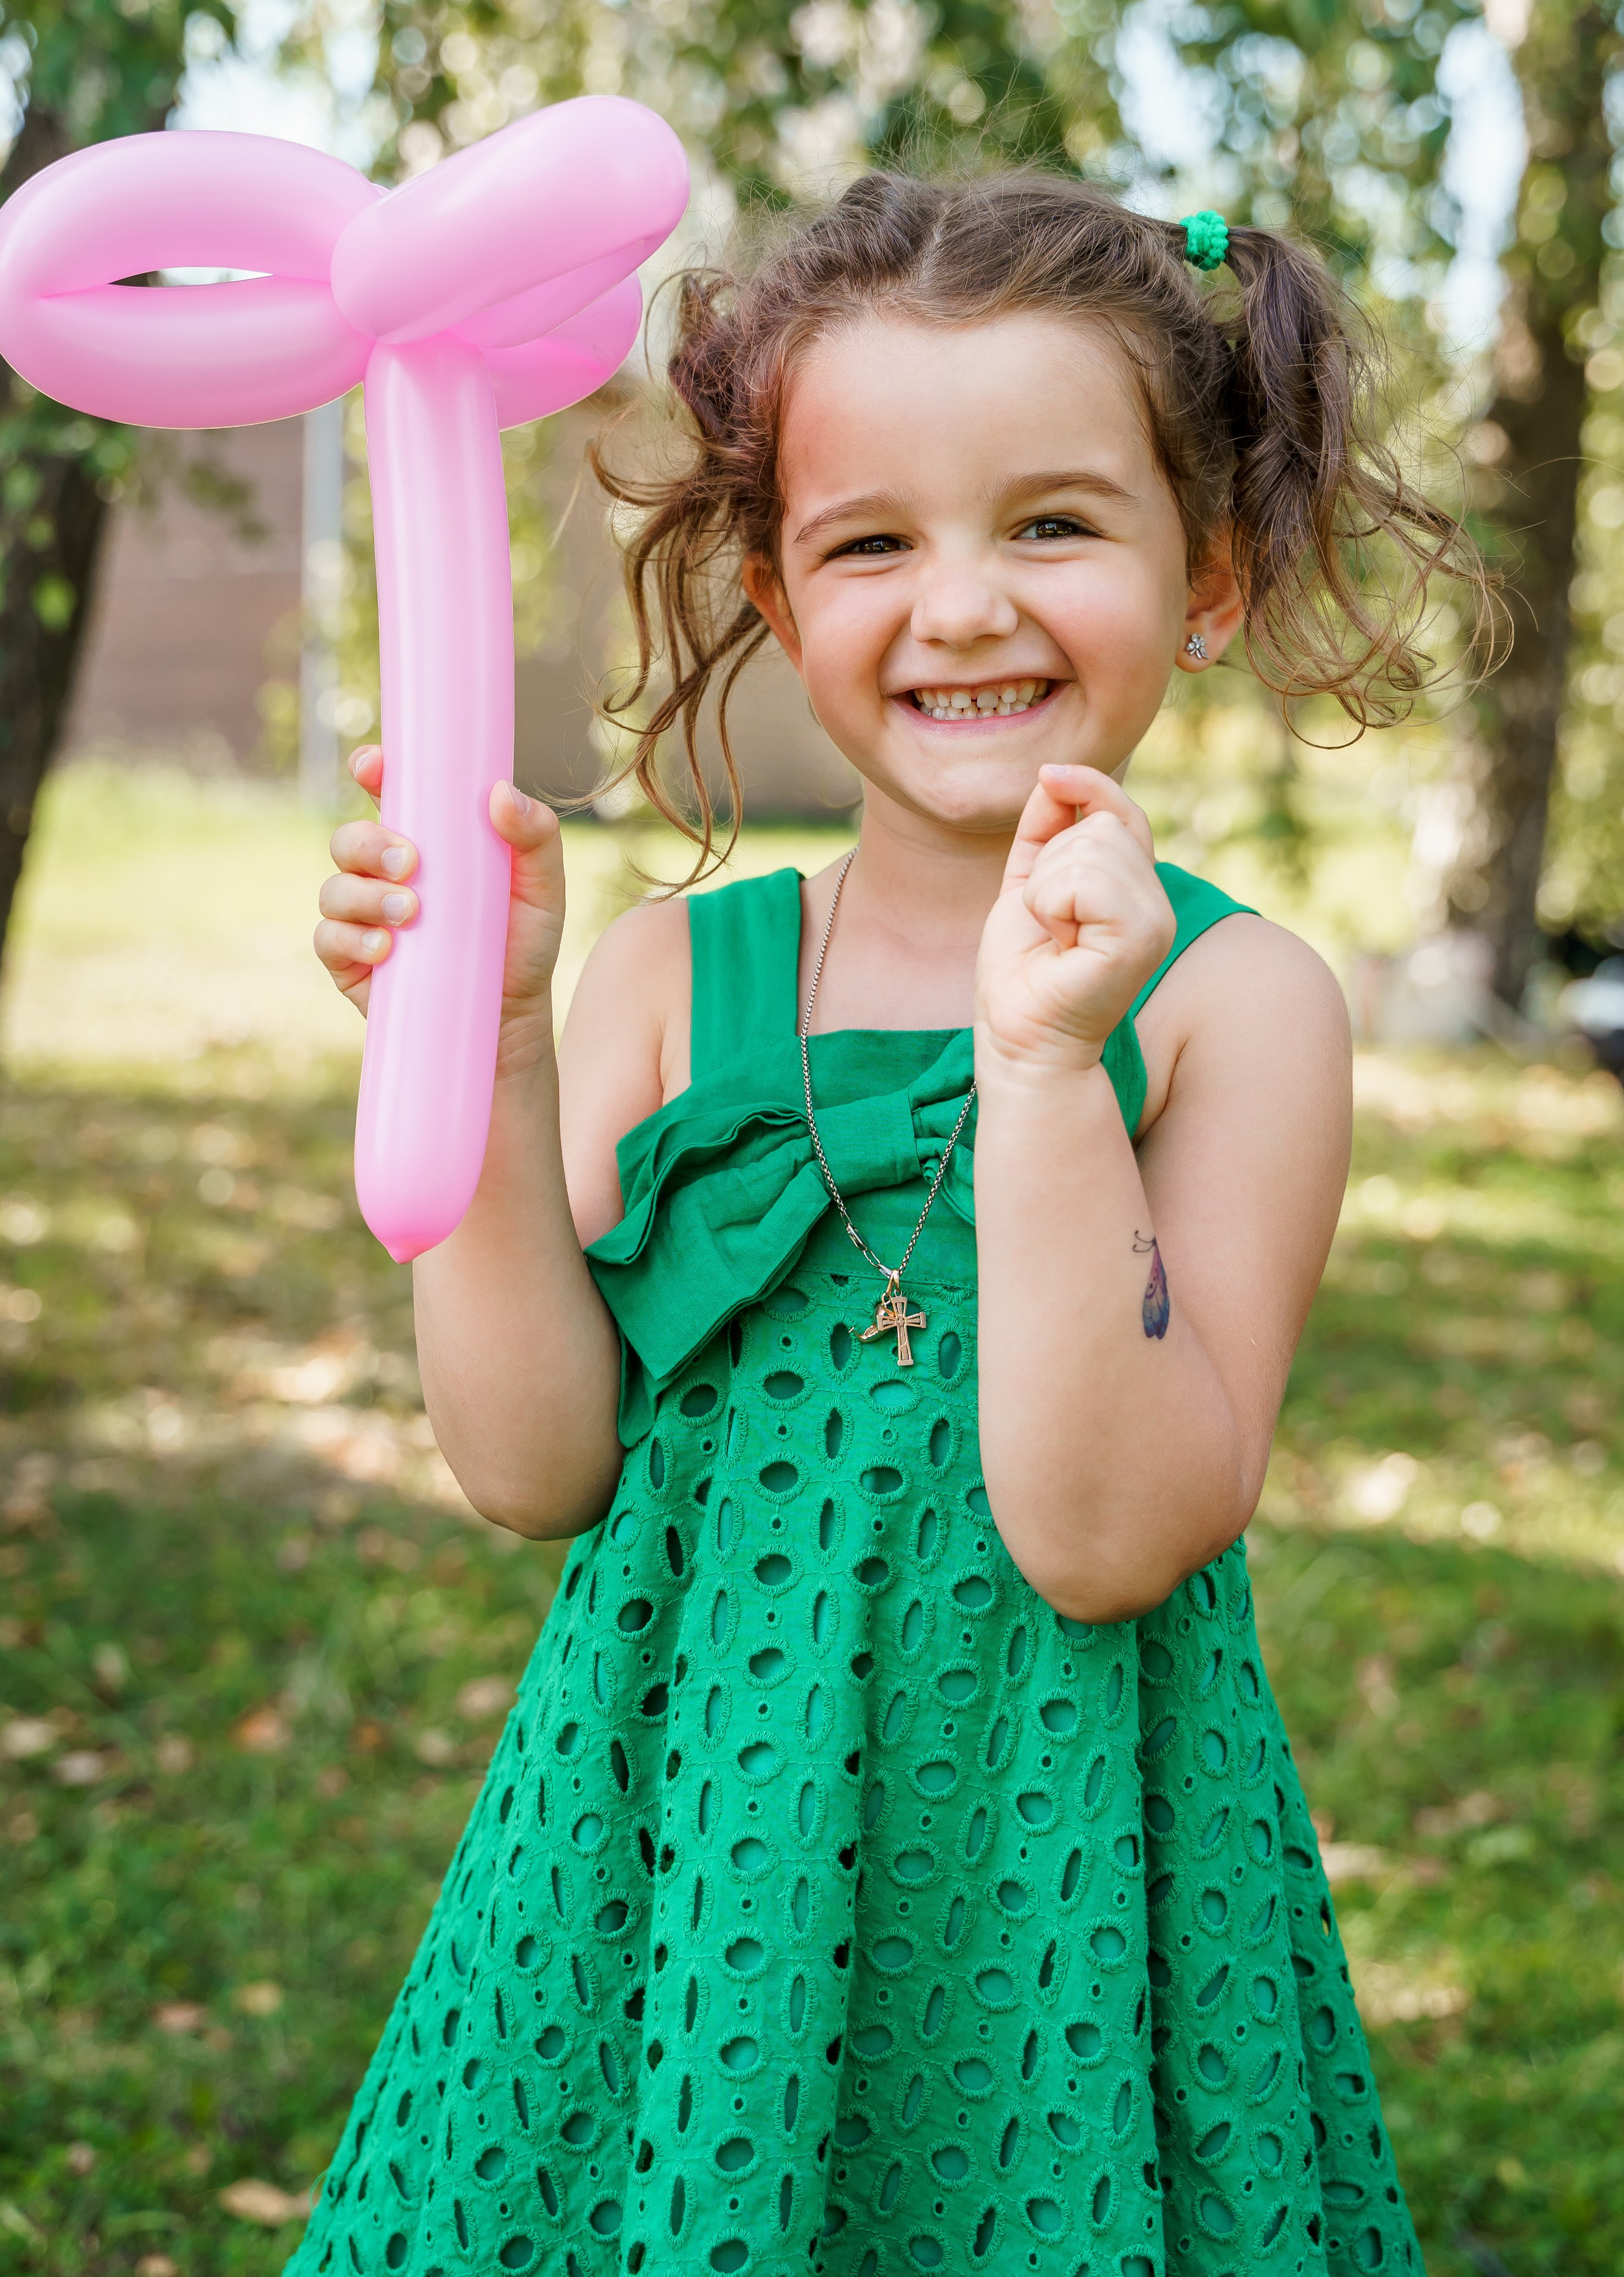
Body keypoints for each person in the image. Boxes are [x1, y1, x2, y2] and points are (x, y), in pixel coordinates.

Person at [294, 175, 1471, 2277]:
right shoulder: (667, 982)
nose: (960, 607)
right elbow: (531, 1460)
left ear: (1202, 576)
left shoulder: (1235, 1006)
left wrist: (1043, 1074)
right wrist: (483, 1050)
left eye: (1050, 523)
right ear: (774, 585)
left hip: (1061, 1861)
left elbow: (1110, 1533)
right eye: (870, 544)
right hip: (683, 1834)